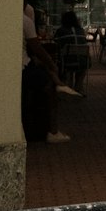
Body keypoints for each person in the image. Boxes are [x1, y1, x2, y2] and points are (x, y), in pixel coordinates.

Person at [22, 8, 78, 144]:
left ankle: (58, 82)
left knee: (45, 68)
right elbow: (37, 48)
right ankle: (52, 131)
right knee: (49, 83)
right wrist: (51, 64)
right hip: (80, 61)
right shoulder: (25, 21)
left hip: (65, 60)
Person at [54, 9, 89, 94]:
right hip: (83, 62)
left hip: (66, 62)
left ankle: (65, 84)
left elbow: (56, 43)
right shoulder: (81, 30)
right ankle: (78, 85)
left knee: (60, 59)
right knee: (79, 62)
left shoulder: (61, 31)